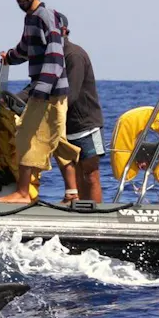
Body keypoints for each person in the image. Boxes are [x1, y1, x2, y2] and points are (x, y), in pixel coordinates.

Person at [0, 0, 69, 204]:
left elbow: (56, 56)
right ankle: (73, 193)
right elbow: (26, 49)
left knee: (25, 137)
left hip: (48, 91)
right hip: (46, 89)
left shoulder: (45, 16)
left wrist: (41, 91)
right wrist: (8, 57)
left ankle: (23, 193)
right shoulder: (31, 18)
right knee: (57, 140)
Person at [58, 19, 104, 203]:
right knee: (75, 174)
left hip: (85, 125)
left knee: (90, 174)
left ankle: (97, 215)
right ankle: (78, 208)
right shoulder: (51, 58)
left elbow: (72, 93)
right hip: (66, 126)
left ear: (63, 31)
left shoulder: (74, 55)